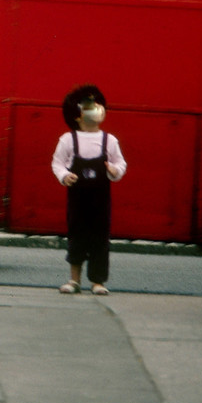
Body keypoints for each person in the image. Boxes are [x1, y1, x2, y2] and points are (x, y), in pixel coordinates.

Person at [51, 84, 127, 295]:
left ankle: (98, 281)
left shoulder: (109, 140)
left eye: (97, 105)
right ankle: (74, 279)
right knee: (77, 236)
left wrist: (114, 170)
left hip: (100, 199)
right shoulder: (68, 140)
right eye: (89, 106)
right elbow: (57, 163)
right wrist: (65, 176)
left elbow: (121, 164)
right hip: (78, 199)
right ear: (77, 115)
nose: (96, 109)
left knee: (100, 238)